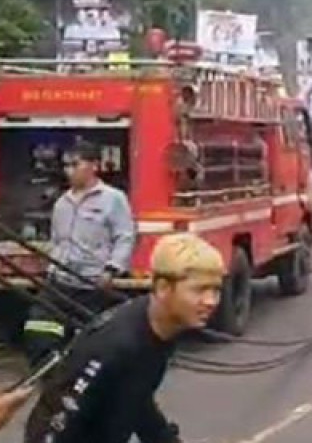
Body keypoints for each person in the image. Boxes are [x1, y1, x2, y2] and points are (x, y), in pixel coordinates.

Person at [24, 232, 224, 443]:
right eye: (200, 290)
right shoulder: (117, 346)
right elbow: (60, 423)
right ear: (164, 288)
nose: (211, 301)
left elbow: (137, 398)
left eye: (216, 290)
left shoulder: (161, 327)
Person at [24, 141, 135, 365]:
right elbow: (57, 240)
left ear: (94, 166)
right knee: (38, 329)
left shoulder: (113, 199)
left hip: (92, 285)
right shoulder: (62, 203)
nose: (69, 170)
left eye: (75, 164)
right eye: (66, 165)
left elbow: (125, 237)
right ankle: (48, 373)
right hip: (59, 281)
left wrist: (111, 270)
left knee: (89, 340)